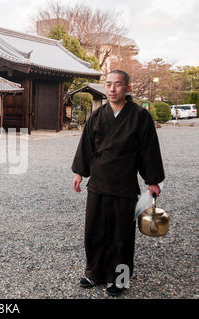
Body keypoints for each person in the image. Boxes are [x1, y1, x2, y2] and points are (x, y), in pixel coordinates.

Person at [71, 70, 165, 297]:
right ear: (105, 87)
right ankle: (94, 272)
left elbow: (148, 150)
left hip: (124, 184)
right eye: (108, 84)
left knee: (121, 235)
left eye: (118, 85)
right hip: (98, 184)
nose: (112, 89)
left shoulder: (140, 116)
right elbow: (86, 146)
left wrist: (152, 181)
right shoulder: (96, 115)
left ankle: (120, 277)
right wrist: (79, 173)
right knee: (94, 230)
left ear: (128, 88)